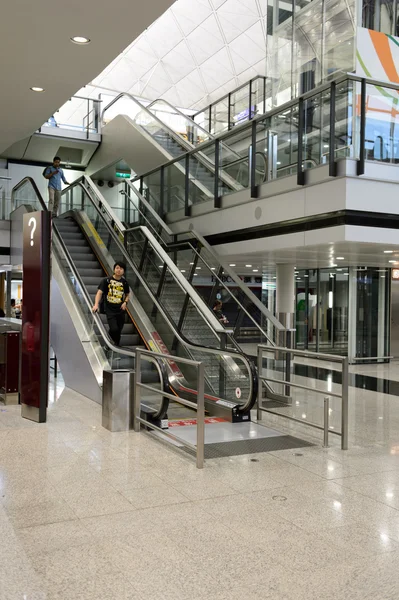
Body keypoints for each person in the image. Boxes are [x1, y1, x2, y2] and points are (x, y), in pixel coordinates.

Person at [92, 262, 130, 347]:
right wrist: (96, 305)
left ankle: (114, 346)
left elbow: (127, 294)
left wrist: (125, 302)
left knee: (118, 330)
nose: (118, 270)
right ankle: (111, 346)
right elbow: (99, 293)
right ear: (114, 269)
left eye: (121, 268)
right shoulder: (106, 281)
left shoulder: (125, 283)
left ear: (123, 271)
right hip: (110, 309)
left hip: (120, 310)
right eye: (117, 268)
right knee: (114, 329)